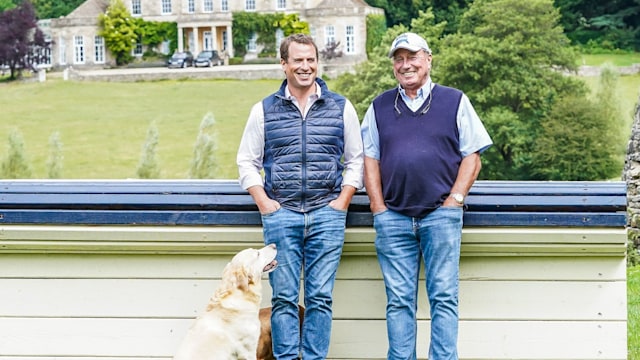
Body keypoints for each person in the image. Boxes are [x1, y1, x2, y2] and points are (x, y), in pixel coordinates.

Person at [360, 32, 493, 360]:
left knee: (444, 297)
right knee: (398, 301)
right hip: (393, 219)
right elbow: (369, 160)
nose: (406, 65)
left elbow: (472, 156)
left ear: (428, 59)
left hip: (441, 216)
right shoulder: (378, 107)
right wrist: (378, 208)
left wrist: (455, 201)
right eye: (399, 59)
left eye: (412, 57)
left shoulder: (455, 100)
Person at [237, 33, 364, 360]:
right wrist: (266, 204)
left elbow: (356, 160)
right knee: (283, 299)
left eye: (310, 60)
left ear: (317, 63)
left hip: (327, 214)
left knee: (320, 298)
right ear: (284, 65)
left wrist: (342, 203)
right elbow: (247, 162)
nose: (305, 67)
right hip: (283, 216)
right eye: (298, 60)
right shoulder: (263, 110)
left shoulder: (341, 107)